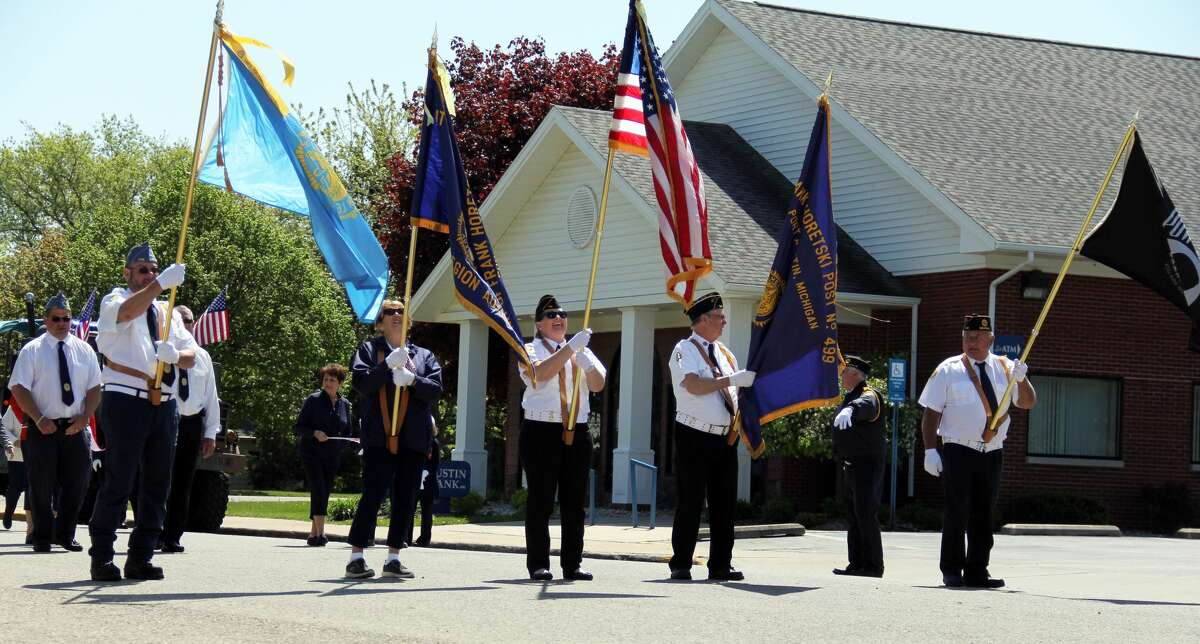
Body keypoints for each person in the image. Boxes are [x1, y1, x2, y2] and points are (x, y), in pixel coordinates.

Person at [88, 242, 194, 582]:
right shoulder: (115, 299)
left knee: (157, 484)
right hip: (125, 399)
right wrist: (159, 284)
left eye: (153, 269)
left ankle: (141, 556)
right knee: (119, 480)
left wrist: (176, 357)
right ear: (128, 272)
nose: (149, 274)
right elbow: (127, 313)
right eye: (143, 269)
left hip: (163, 404)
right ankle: (103, 556)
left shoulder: (168, 311)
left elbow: (192, 352)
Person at [918, 314, 1036, 589]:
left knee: (984, 512)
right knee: (957, 511)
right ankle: (951, 569)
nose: (972, 342)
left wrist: (1023, 380)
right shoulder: (948, 369)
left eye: (978, 337)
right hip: (959, 448)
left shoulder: (1006, 368)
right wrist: (930, 450)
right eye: (967, 337)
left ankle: (977, 570)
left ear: (990, 339)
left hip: (992, 451)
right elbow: (931, 412)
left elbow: (1027, 403)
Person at [344, 299, 442, 580]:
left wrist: (412, 380)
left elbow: (435, 390)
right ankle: (357, 556)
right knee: (373, 494)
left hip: (413, 437)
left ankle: (394, 556)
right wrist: (386, 365)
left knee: (406, 498)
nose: (397, 315)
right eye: (390, 311)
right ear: (380, 321)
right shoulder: (369, 350)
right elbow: (362, 385)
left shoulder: (423, 356)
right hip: (378, 435)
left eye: (402, 311)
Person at [667, 292, 756, 581]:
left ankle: (721, 564)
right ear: (702, 320)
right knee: (691, 500)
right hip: (694, 434)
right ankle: (681, 562)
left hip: (724, 437)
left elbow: (732, 391)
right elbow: (692, 384)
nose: (724, 321)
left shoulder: (724, 352)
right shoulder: (684, 349)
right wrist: (731, 379)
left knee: (724, 502)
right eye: (719, 316)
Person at [518, 294, 606, 582]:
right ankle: (539, 564)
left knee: (574, 502)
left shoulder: (580, 348)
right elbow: (539, 375)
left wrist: (587, 363)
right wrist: (570, 349)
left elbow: (598, 385)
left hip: (577, 430)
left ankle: (573, 564)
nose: (558, 319)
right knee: (541, 500)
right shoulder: (529, 349)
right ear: (539, 324)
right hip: (541, 431)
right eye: (551, 315)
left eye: (562, 314)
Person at [6, 293, 102, 553]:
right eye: (56, 319)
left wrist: (84, 418)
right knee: (41, 484)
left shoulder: (84, 350)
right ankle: (42, 535)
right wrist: (38, 418)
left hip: (75, 426)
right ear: (46, 321)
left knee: (79, 481)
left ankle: (65, 534)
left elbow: (95, 388)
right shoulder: (33, 350)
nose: (62, 323)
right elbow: (18, 387)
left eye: (67, 318)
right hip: (42, 427)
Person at [159, 305, 220, 554]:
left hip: (191, 423)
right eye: (180, 320)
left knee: (183, 482)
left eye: (189, 320)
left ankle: (173, 535)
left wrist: (210, 433)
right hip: (165, 419)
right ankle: (153, 531)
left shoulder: (202, 356)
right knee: (159, 480)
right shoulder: (163, 352)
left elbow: (210, 396)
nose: (186, 324)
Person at [830, 355, 886, 578]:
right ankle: (857, 562)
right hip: (852, 463)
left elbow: (867, 406)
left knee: (865, 513)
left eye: (845, 373)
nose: (842, 376)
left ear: (855, 374)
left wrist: (851, 409)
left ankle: (873, 565)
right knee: (854, 515)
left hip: (866, 464)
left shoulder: (867, 395)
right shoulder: (851, 396)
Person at [296, 363, 352, 546]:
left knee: (325, 491)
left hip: (332, 455)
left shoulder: (345, 404)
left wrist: (342, 444)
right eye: (326, 379)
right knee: (318, 488)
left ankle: (313, 534)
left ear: (340, 384)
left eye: (332, 380)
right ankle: (321, 533)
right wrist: (314, 433)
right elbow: (298, 427)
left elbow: (347, 432)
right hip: (312, 453)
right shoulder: (313, 400)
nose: (327, 383)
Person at [2, 387, 30, 538]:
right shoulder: (13, 409)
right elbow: (3, 429)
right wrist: (14, 441)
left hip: (34, 455)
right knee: (15, 487)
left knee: (32, 488)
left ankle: (31, 524)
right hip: (17, 455)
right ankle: (8, 513)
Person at [411, 433, 440, 547]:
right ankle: (411, 538)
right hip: (418, 481)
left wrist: (425, 472)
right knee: (412, 510)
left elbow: (435, 463)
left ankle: (422, 539)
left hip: (426, 482)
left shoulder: (432, 443)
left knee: (425, 512)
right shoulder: (415, 441)